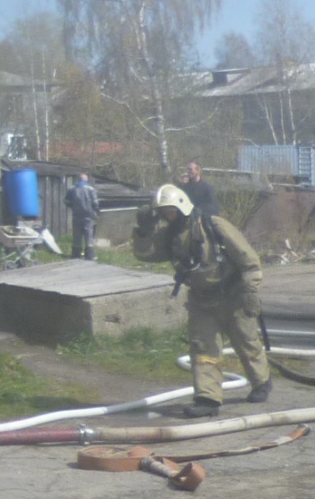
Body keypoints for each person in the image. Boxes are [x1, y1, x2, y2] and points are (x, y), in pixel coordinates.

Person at [133, 182, 269, 418]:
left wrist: (251, 292)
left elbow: (249, 260)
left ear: (181, 206)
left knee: (246, 341)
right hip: (201, 299)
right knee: (203, 347)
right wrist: (143, 233)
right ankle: (208, 399)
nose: (167, 217)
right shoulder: (170, 236)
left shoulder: (213, 226)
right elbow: (145, 254)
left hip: (233, 294)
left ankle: (261, 381)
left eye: (170, 211)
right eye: (163, 213)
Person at [65, 173, 102, 260]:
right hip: (88, 215)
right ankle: (89, 255)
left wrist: (72, 206)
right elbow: (95, 202)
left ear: (78, 180)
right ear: (86, 180)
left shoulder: (72, 188)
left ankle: (76, 254)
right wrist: (96, 211)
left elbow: (66, 201)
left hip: (76, 215)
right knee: (89, 235)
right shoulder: (91, 189)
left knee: (77, 235)